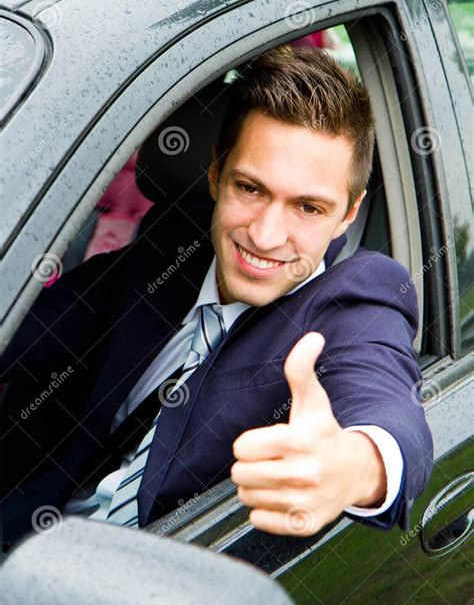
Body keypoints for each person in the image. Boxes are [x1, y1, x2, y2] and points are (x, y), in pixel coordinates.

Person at [0, 46, 433, 547]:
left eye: (309, 208)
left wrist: (353, 466)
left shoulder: (359, 301)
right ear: (215, 175)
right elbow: (29, 326)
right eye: (250, 189)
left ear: (349, 213)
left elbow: (388, 409)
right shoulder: (168, 251)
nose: (267, 236)